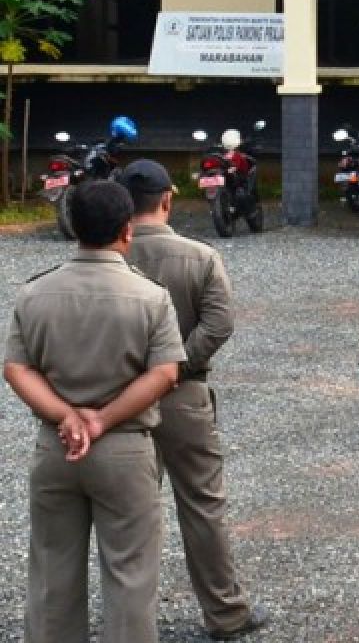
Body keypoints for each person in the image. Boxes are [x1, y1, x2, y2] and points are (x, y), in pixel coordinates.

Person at [4, 180, 185, 643]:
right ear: (127, 230)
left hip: (55, 447)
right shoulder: (150, 297)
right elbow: (165, 374)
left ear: (72, 228)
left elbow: (16, 369)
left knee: (52, 572)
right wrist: (101, 420)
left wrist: (66, 416)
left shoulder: (34, 293)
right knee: (130, 575)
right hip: (124, 448)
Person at [117, 160, 270, 640]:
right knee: (202, 504)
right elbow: (219, 322)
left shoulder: (109, 255)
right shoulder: (200, 256)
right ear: (168, 200)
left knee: (130, 511)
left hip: (118, 402)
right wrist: (176, 367)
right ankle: (225, 612)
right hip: (184, 395)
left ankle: (130, 620)